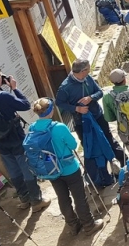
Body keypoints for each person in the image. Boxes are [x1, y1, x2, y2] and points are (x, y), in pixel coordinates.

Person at [28, 98, 104, 236]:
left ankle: (73, 225)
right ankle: (88, 224)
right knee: (79, 197)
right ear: (51, 111)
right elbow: (73, 145)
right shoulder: (59, 127)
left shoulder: (32, 128)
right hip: (69, 169)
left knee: (63, 198)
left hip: (51, 169)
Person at [0, 68, 50, 212]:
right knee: (26, 168)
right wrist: (14, 88)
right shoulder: (3, 95)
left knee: (13, 170)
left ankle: (24, 200)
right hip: (15, 139)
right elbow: (25, 105)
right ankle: (36, 201)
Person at [56, 59, 126, 171]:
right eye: (88, 69)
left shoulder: (87, 78)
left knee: (108, 139)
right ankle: (99, 174)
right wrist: (76, 108)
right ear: (83, 71)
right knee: (90, 146)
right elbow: (59, 103)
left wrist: (91, 98)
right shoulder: (65, 87)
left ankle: (124, 163)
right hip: (82, 122)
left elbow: (100, 92)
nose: (89, 71)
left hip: (97, 116)